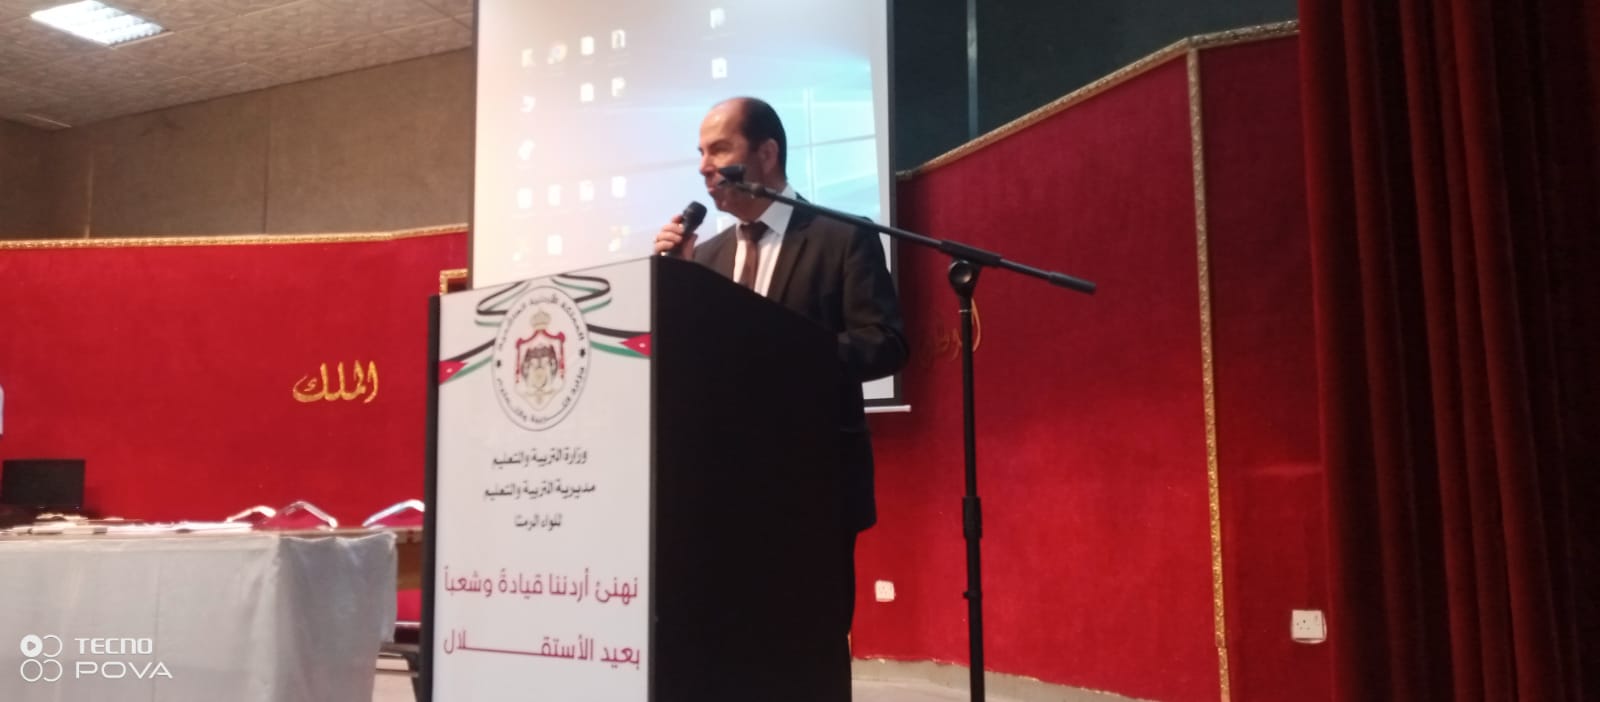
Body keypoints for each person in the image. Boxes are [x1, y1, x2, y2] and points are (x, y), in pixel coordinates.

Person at [654, 96, 909, 672]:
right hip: (722, 492)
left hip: (813, 485)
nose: (703, 166)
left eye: (719, 149)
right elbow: (694, 370)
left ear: (767, 153)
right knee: (732, 652)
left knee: (807, 654)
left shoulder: (843, 236)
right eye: (700, 152)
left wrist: (784, 350)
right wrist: (674, 287)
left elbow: (886, 343)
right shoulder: (706, 257)